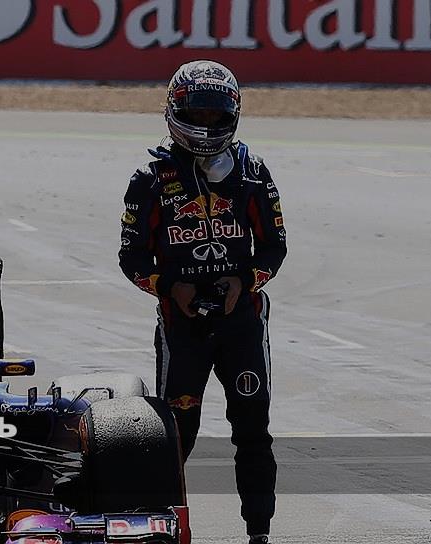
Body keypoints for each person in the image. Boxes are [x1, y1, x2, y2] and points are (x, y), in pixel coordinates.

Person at [118, 60, 286, 544]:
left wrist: (244, 281)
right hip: (182, 327)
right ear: (175, 110)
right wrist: (169, 286)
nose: (208, 124)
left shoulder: (253, 174)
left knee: (252, 430)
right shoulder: (149, 179)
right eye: (199, 113)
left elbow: (274, 247)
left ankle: (259, 533)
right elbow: (131, 257)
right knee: (175, 434)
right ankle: (159, 528)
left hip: (242, 324)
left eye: (217, 115)